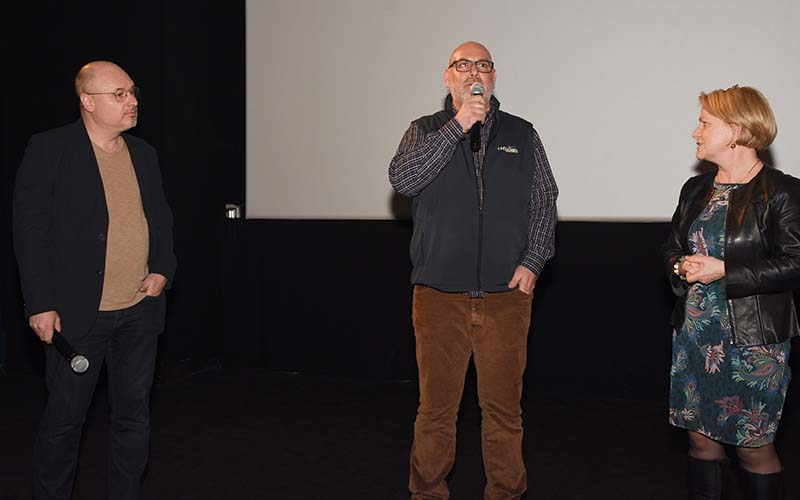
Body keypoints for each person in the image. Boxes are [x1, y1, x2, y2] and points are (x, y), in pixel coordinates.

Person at [388, 41, 558, 500]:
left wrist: (533, 260)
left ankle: (506, 493)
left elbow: (544, 199)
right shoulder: (424, 130)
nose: (473, 72)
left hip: (506, 297)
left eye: (482, 65)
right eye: (462, 65)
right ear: (448, 77)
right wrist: (459, 125)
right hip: (438, 296)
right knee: (436, 410)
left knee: (504, 412)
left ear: (493, 77)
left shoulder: (522, 134)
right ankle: (427, 493)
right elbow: (403, 180)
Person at [13, 61, 176, 500]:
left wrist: (163, 268)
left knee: (133, 418)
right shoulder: (51, 148)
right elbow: (30, 231)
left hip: (139, 311)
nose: (132, 101)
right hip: (77, 316)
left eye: (133, 91)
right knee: (64, 423)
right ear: (87, 101)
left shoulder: (143, 153)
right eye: (119, 94)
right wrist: (39, 303)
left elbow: (160, 219)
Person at [662, 85, 800, 500]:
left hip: (753, 345)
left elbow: (796, 263)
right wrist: (680, 266)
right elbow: (671, 247)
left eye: (705, 123)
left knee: (753, 450)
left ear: (736, 130)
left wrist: (724, 270)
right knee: (700, 442)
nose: (696, 132)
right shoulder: (695, 189)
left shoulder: (781, 191)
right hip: (695, 337)